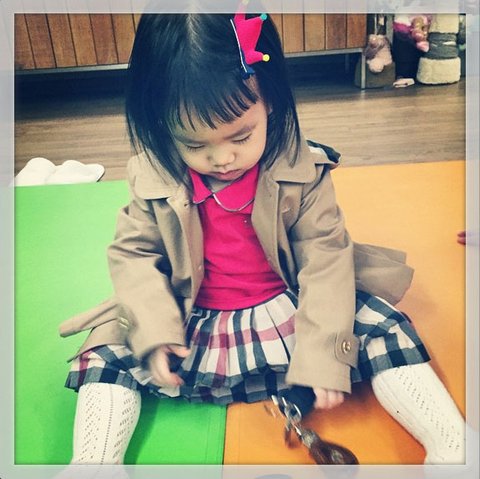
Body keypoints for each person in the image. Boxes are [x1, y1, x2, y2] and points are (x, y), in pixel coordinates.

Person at [59, 10, 465, 466]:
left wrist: (324, 355)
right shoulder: (154, 176)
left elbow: (326, 259)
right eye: (194, 144)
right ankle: (93, 463)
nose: (222, 159)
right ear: (159, 124)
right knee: (106, 349)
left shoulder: (301, 170)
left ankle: (452, 442)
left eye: (241, 136)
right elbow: (133, 256)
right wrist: (156, 333)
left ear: (270, 99)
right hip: (190, 317)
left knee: (383, 328)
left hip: (291, 307)